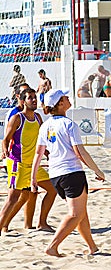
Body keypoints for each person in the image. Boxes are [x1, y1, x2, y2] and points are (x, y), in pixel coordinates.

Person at [31, 89, 105, 257]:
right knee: (75, 213)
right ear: (60, 104)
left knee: (80, 212)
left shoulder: (45, 126)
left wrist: (33, 177)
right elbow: (80, 152)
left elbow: (38, 153)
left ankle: (92, 247)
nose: (68, 98)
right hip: (71, 172)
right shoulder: (69, 124)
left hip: (55, 175)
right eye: (65, 97)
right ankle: (52, 246)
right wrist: (97, 170)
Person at [0, 88, 56, 234]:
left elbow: (42, 140)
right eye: (30, 98)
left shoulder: (38, 117)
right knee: (13, 198)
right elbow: (5, 139)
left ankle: (42, 222)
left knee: (51, 189)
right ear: (23, 101)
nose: (34, 100)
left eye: (35, 97)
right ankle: (1, 226)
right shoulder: (17, 118)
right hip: (18, 163)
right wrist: (5, 151)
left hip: (33, 165)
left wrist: (48, 152)